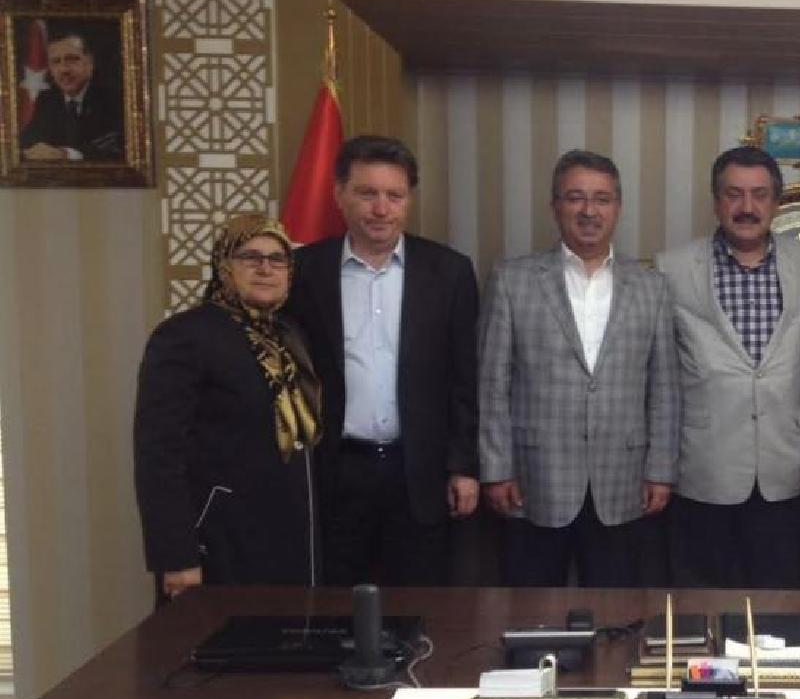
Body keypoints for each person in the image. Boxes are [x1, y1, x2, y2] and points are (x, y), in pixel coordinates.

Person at [285, 135, 480, 587]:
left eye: (395, 195)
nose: (381, 209)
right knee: (336, 602)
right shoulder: (303, 271)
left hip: (419, 471)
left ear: (409, 200)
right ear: (339, 194)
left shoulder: (448, 272)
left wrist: (464, 466)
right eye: (367, 193)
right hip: (335, 468)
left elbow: (465, 378)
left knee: (420, 604)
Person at [478, 150, 679, 585]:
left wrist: (661, 470)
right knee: (530, 607)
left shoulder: (652, 287)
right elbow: (492, 385)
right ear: (555, 206)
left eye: (602, 199)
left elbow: (664, 389)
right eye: (575, 198)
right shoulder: (512, 280)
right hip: (534, 479)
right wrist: (496, 469)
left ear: (618, 208)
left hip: (623, 481)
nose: (589, 210)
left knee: (615, 609)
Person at [657, 145, 800, 587]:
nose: (746, 207)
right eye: (734, 194)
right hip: (705, 470)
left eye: (759, 195)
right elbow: (658, 376)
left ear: (776, 202)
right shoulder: (672, 269)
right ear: (716, 201)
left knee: (781, 606)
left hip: (787, 470)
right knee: (702, 606)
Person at [134, 214, 322, 599]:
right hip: (220, 541)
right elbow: (158, 454)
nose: (265, 268)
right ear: (224, 265)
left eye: (277, 259)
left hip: (291, 538)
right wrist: (176, 555)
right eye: (249, 256)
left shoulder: (290, 335)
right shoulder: (186, 335)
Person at [20, 29, 125, 161]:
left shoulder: (114, 98)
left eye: (72, 59)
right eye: (56, 61)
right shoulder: (47, 99)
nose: (64, 69)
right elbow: (27, 142)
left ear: (90, 63)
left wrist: (66, 154)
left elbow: (115, 144)